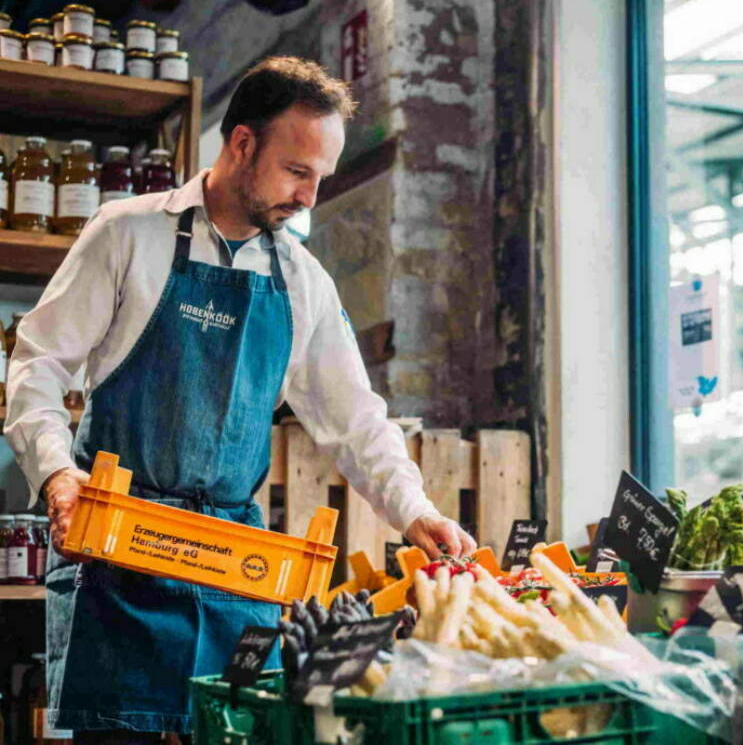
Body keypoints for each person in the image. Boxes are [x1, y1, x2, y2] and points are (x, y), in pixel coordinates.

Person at [4, 56, 476, 743]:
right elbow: (36, 366)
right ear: (243, 144)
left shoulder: (304, 282)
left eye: (322, 177)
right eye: (297, 171)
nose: (311, 198)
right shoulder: (126, 233)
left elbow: (355, 420)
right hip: (118, 557)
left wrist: (416, 510)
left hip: (232, 566)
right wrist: (55, 473)